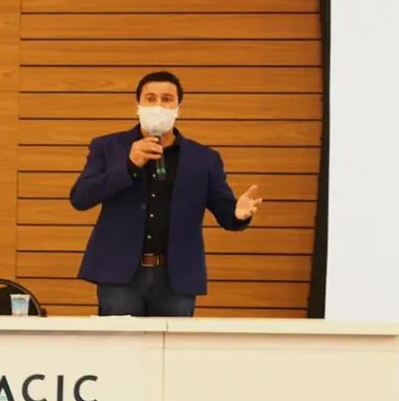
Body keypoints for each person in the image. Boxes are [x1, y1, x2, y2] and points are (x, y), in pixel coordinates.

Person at [69, 71, 262, 317]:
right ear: (138, 105)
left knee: (173, 342)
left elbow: (226, 214)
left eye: (167, 99)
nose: (158, 105)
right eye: (150, 99)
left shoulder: (204, 158)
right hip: (119, 275)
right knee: (121, 342)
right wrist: (128, 165)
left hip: (176, 277)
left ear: (179, 108)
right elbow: (81, 197)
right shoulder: (108, 147)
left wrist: (239, 213)